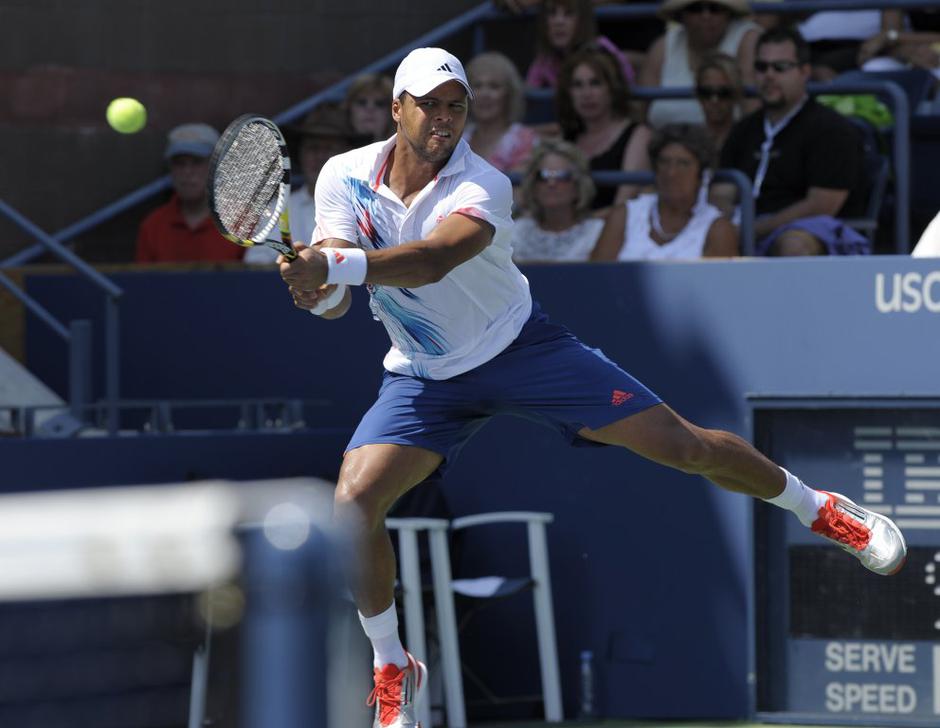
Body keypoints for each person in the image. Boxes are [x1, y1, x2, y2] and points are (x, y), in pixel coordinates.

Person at [277, 47, 907, 728]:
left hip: (522, 350)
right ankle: (393, 662)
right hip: (425, 374)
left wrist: (330, 265)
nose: (444, 118)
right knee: (354, 502)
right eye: (429, 105)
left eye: (455, 106)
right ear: (397, 108)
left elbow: (429, 263)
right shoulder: (343, 174)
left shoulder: (481, 182)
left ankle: (817, 507)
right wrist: (317, 291)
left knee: (683, 445)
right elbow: (337, 298)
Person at [718, 27, 871, 256]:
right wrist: (725, 223)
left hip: (809, 229)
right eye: (762, 67)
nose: (769, 75)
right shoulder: (744, 129)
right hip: (746, 227)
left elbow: (821, 206)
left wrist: (755, 229)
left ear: (804, 71)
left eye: (780, 67)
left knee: (794, 244)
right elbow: (721, 193)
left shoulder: (832, 129)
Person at [591, 123, 738, 260]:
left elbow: (716, 285)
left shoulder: (718, 230)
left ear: (701, 175)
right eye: (664, 162)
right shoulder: (625, 216)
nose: (671, 173)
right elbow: (596, 278)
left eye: (683, 164)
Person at [244, 103, 364, 264]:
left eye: (329, 148)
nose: (320, 157)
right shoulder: (276, 210)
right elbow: (255, 265)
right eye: (313, 148)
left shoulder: (367, 208)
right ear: (300, 154)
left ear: (347, 155)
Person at [556, 45, 653, 210]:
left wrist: (584, 227)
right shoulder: (565, 137)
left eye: (595, 83)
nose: (586, 94)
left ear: (612, 88)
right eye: (578, 85)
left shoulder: (638, 135)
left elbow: (624, 205)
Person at [641, 0, 761, 128]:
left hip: (729, 146)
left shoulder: (748, 40)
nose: (706, 16)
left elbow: (753, 115)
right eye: (696, 8)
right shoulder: (662, 47)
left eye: (715, 8)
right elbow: (640, 113)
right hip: (663, 143)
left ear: (729, 13)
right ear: (682, 15)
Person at [135, 123, 242, 263]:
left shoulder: (242, 224)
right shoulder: (153, 226)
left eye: (197, 162)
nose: (187, 172)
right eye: (179, 163)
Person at [512, 139, 603, 262]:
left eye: (562, 176)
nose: (551, 183)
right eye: (543, 176)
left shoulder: (598, 233)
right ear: (533, 185)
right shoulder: (516, 232)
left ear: (579, 186)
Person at [525, 0, 636, 89]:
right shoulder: (545, 60)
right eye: (552, 13)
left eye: (569, 13)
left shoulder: (604, 51)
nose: (558, 22)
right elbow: (529, 99)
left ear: (583, 20)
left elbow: (625, 101)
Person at [464, 52, 539, 174]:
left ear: (509, 94)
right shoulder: (458, 139)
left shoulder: (525, 140)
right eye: (477, 86)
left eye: (494, 86)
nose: (485, 94)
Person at [695, 51, 745, 156]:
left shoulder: (749, 139)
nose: (714, 100)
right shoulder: (690, 141)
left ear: (736, 95)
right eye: (706, 92)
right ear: (698, 95)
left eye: (723, 93)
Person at [346, 73, 398, 142]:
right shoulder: (332, 151)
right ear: (349, 109)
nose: (370, 109)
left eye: (380, 104)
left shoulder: (407, 151)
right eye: (362, 102)